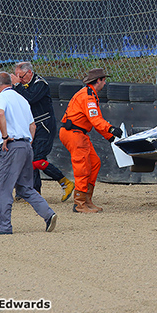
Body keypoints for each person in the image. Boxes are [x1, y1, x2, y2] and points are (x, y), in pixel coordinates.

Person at [0, 72, 57, 235]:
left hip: (11, 146)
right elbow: (32, 125)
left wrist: (5, 137)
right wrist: (28, 143)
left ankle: (4, 227)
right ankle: (48, 214)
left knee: (2, 188)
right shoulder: (22, 99)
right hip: (26, 146)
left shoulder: (0, 98)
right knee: (26, 187)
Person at [59, 68, 122, 213]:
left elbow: (95, 120)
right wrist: (111, 129)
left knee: (94, 163)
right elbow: (95, 120)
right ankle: (79, 203)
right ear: (98, 80)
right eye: (104, 80)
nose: (105, 83)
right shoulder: (88, 97)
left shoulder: (90, 95)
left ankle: (87, 200)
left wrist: (109, 137)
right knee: (82, 166)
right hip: (74, 133)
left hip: (78, 133)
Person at [12, 62, 75, 202]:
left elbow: (29, 99)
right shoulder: (23, 84)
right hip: (31, 125)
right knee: (29, 158)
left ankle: (65, 182)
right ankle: (34, 192)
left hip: (44, 125)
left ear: (29, 73)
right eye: (17, 77)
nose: (20, 80)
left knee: (37, 159)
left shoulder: (41, 84)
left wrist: (17, 85)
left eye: (21, 77)